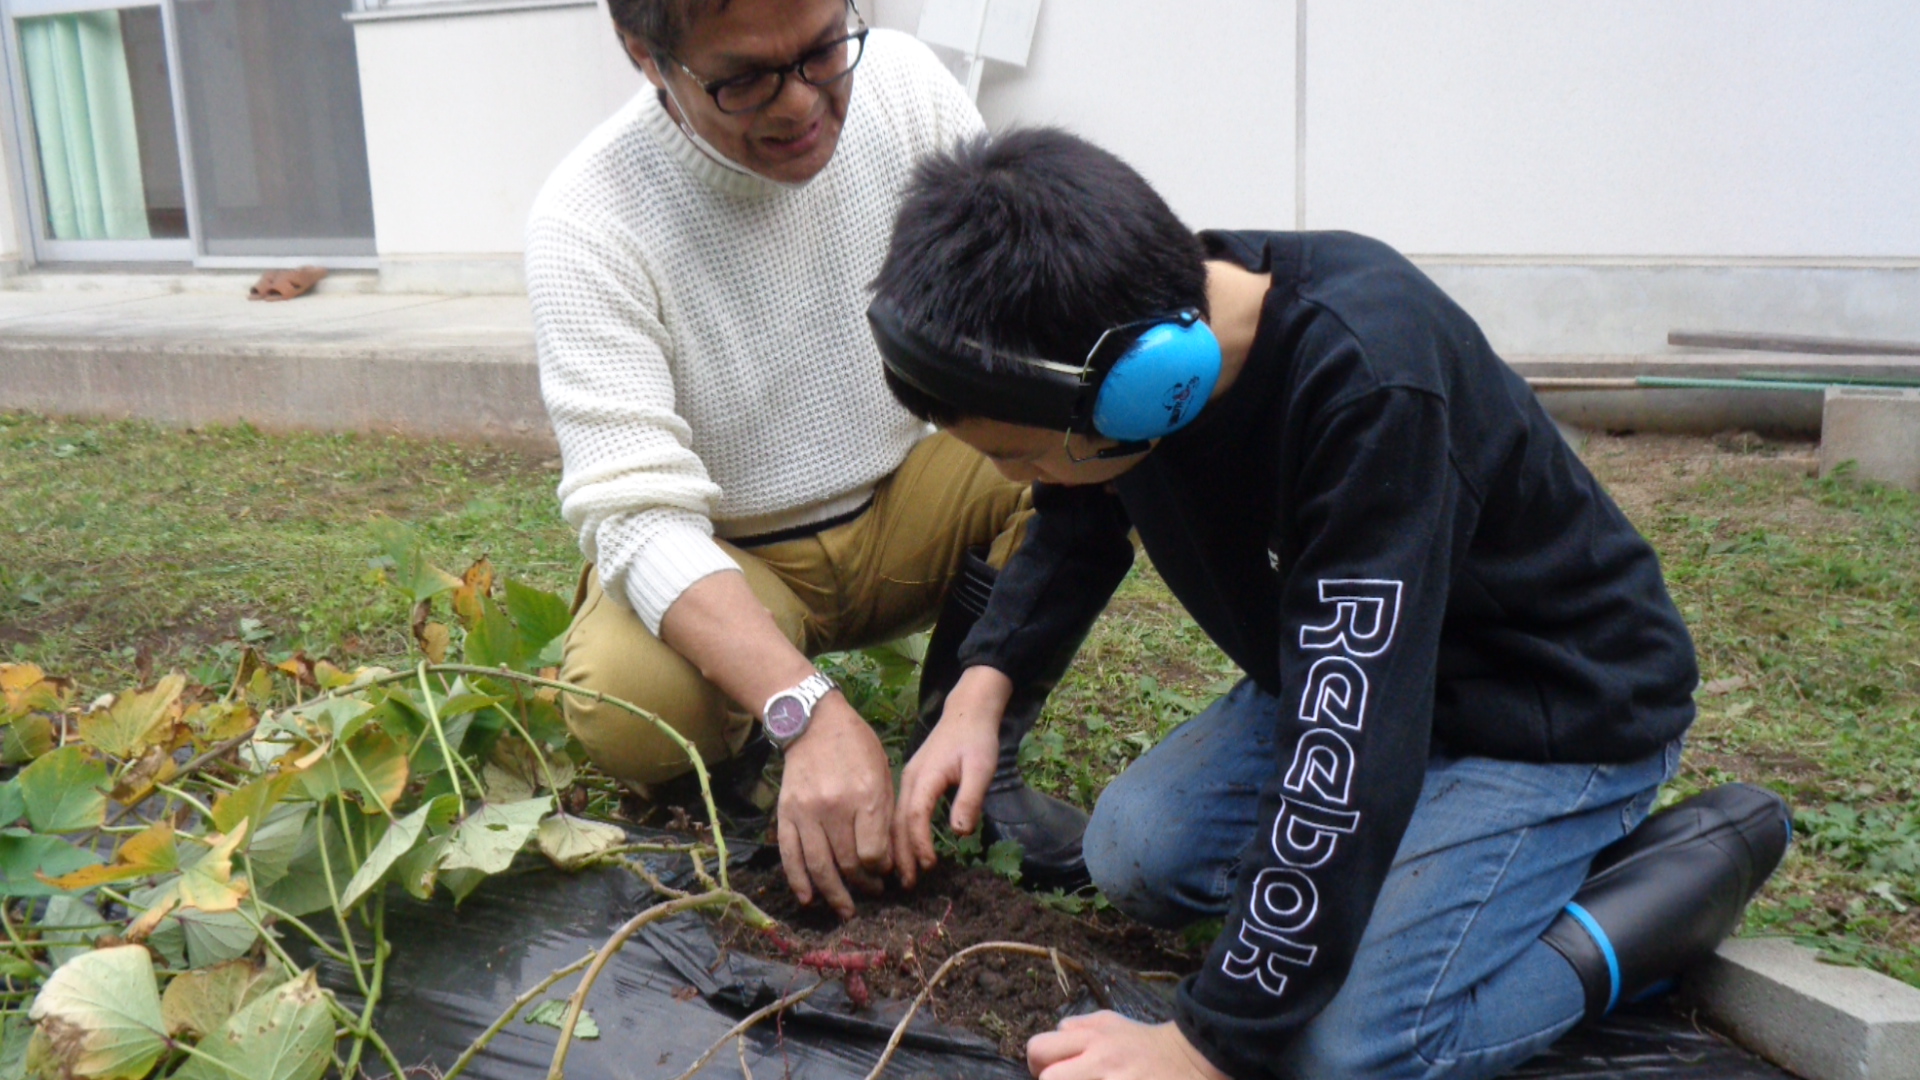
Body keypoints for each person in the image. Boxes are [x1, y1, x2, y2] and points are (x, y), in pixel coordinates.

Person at [868, 127, 1793, 1080]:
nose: (1017, 478)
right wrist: (984, 687)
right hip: (1372, 681)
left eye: (1016, 454)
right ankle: (1436, 873)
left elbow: (1347, 738)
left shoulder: (1369, 378)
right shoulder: (1124, 333)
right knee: (1137, 853)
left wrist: (1205, 1047)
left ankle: (1659, 892)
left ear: (1143, 390)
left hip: (1554, 711)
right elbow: (1079, 509)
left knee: (1349, 1051)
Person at [523, 0, 1091, 921]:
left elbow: (1022, 327)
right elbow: (637, 517)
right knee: (626, 696)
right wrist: (807, 712)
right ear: (646, 55)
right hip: (738, 556)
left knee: (1076, 446)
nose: (801, 103)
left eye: (826, 49)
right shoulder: (589, 218)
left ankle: (968, 754)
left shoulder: (907, 93)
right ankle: (759, 763)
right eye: (745, 79)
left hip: (913, 496)